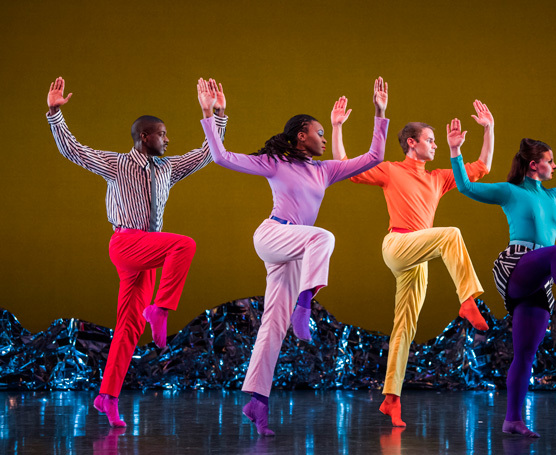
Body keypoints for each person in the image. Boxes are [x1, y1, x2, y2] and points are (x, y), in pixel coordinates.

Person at [198, 77, 390, 436]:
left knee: (273, 325)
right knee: (324, 236)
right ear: (301, 135)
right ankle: (306, 304)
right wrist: (209, 114)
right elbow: (221, 157)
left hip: (296, 251)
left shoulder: (325, 170)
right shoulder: (275, 163)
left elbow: (374, 157)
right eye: (319, 132)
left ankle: (257, 402)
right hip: (274, 234)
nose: (322, 138)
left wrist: (379, 113)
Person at [46, 77, 228, 427]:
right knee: (184, 244)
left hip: (148, 250)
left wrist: (216, 115)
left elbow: (208, 154)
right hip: (126, 242)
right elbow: (74, 150)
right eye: (162, 134)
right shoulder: (116, 164)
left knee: (128, 326)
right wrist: (55, 112)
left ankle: (106, 397)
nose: (168, 139)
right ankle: (160, 310)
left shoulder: (168, 168)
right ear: (145, 136)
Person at [449, 116, 556, 438]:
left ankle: (513, 419)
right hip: (517, 264)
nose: (554, 166)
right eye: (549, 161)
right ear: (532, 165)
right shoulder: (510, 191)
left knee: (525, 353)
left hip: (543, 279)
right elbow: (466, 187)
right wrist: (456, 152)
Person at [332, 99, 495, 427]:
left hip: (418, 256)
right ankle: (467, 300)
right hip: (397, 243)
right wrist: (337, 127)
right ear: (412, 142)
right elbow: (347, 168)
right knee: (450, 234)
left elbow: (482, 166)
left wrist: (488, 129)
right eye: (430, 140)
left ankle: (391, 398)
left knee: (404, 327)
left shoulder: (438, 177)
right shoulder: (391, 169)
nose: (435, 144)